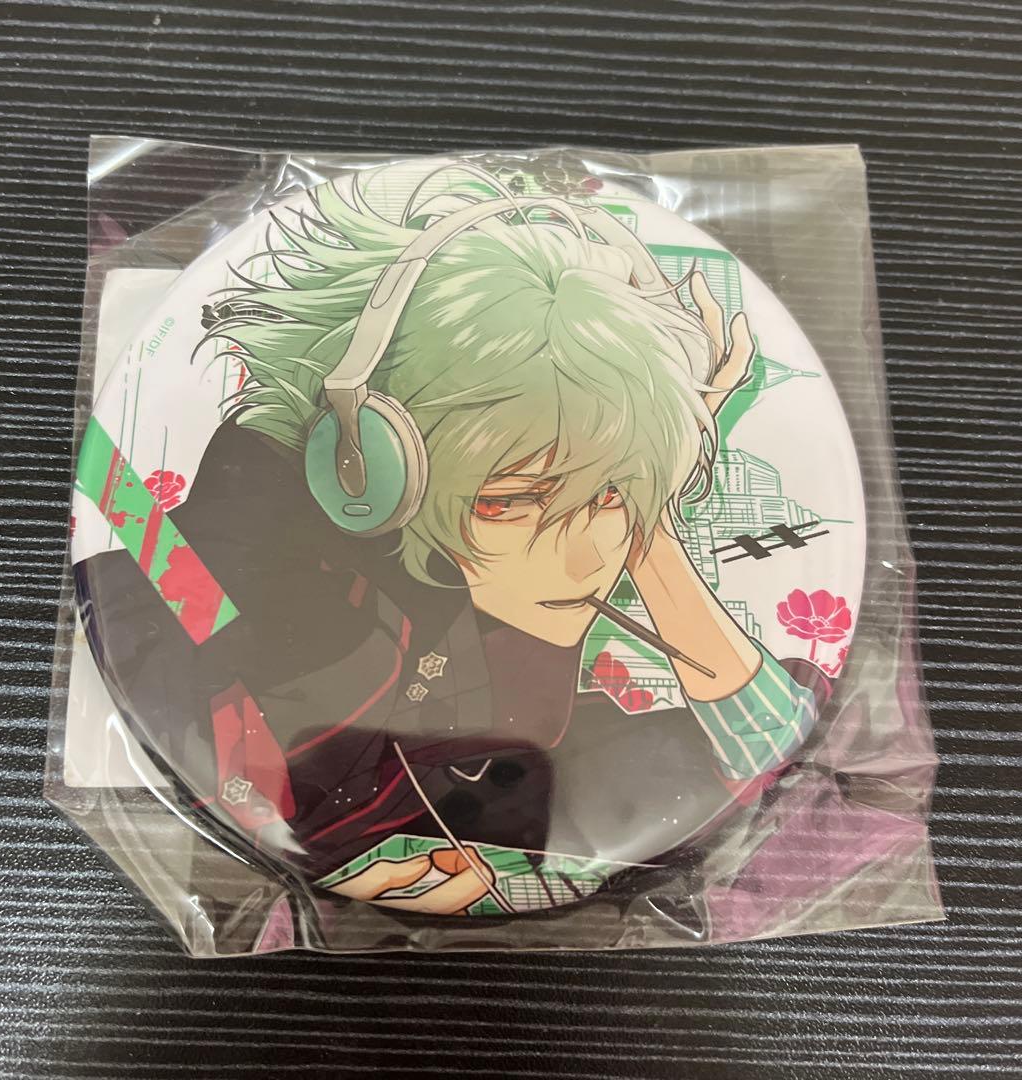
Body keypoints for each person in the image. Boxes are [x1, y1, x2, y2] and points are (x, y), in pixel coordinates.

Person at [76, 167, 819, 918]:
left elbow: (759, 743)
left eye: (608, 499)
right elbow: (228, 740)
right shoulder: (224, 588)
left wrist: (650, 472)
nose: (589, 560)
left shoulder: (498, 615)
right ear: (376, 472)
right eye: (513, 502)